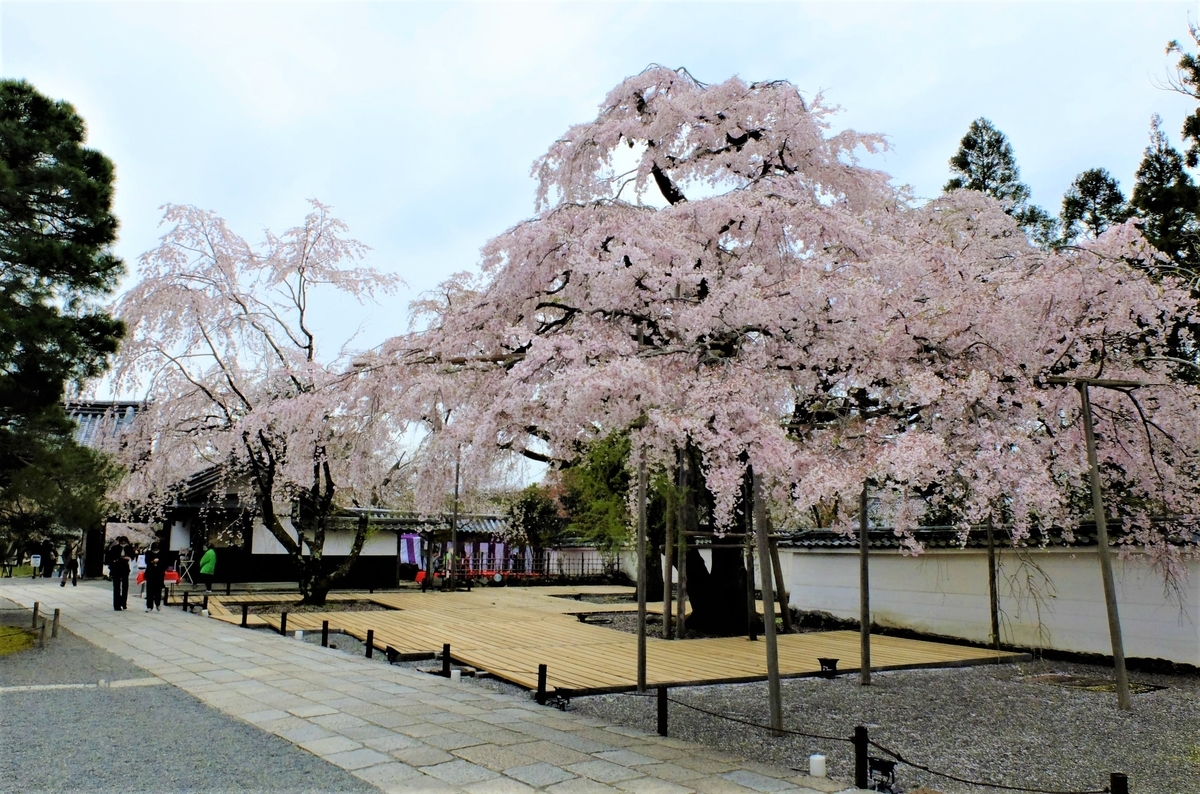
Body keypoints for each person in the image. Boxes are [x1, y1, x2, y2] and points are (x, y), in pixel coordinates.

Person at [105, 537, 133, 610]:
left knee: (125, 586)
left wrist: (128, 558)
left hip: (125, 568)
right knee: (117, 587)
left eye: (124, 543)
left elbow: (132, 556)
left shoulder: (129, 548)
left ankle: (124, 603)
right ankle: (117, 605)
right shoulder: (115, 548)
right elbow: (110, 558)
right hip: (116, 568)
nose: (123, 544)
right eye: (122, 543)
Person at [143, 541, 166, 612]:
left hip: (159, 573)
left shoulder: (162, 553)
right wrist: (152, 562)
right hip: (150, 573)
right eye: (154, 549)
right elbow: (147, 561)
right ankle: (149, 606)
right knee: (149, 590)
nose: (155, 550)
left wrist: (159, 561)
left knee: (158, 590)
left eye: (157, 549)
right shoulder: (148, 553)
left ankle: (158, 603)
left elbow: (165, 562)